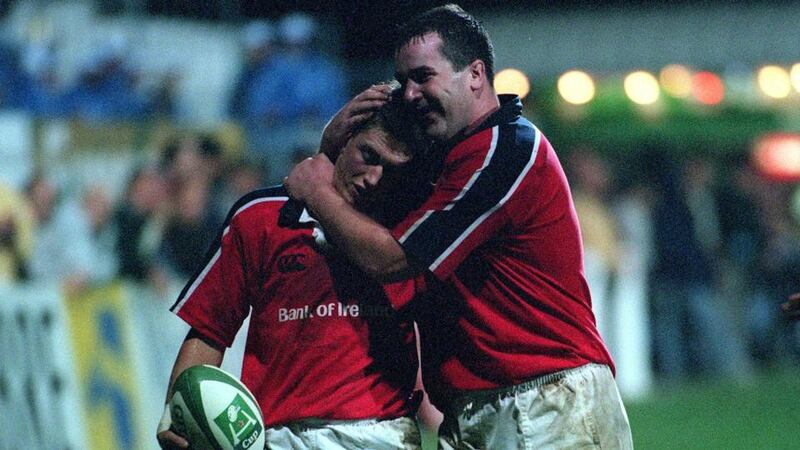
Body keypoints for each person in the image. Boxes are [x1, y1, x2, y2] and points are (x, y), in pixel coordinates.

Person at [286, 4, 632, 449]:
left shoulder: (505, 148)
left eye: (423, 76)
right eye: (402, 80)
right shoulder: (446, 158)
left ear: (474, 73)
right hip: (480, 407)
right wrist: (335, 144)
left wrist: (318, 190)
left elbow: (391, 259)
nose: (409, 94)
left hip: (543, 403)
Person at [157, 85, 428, 450]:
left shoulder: (413, 230)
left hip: (381, 435)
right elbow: (210, 330)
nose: (374, 178)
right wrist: (177, 411)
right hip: (275, 436)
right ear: (344, 140)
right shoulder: (259, 216)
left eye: (392, 170)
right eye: (368, 154)